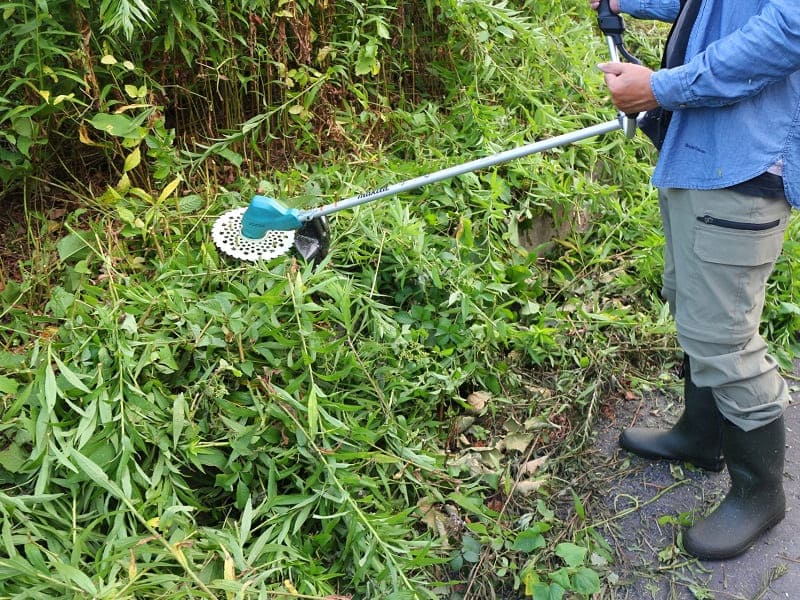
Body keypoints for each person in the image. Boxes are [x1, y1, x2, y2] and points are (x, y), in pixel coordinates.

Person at [588, 0, 800, 560]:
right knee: (692, 305)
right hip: (698, 150)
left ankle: (760, 495)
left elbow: (788, 29)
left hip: (745, 164)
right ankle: (701, 438)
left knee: (725, 340)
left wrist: (662, 87)